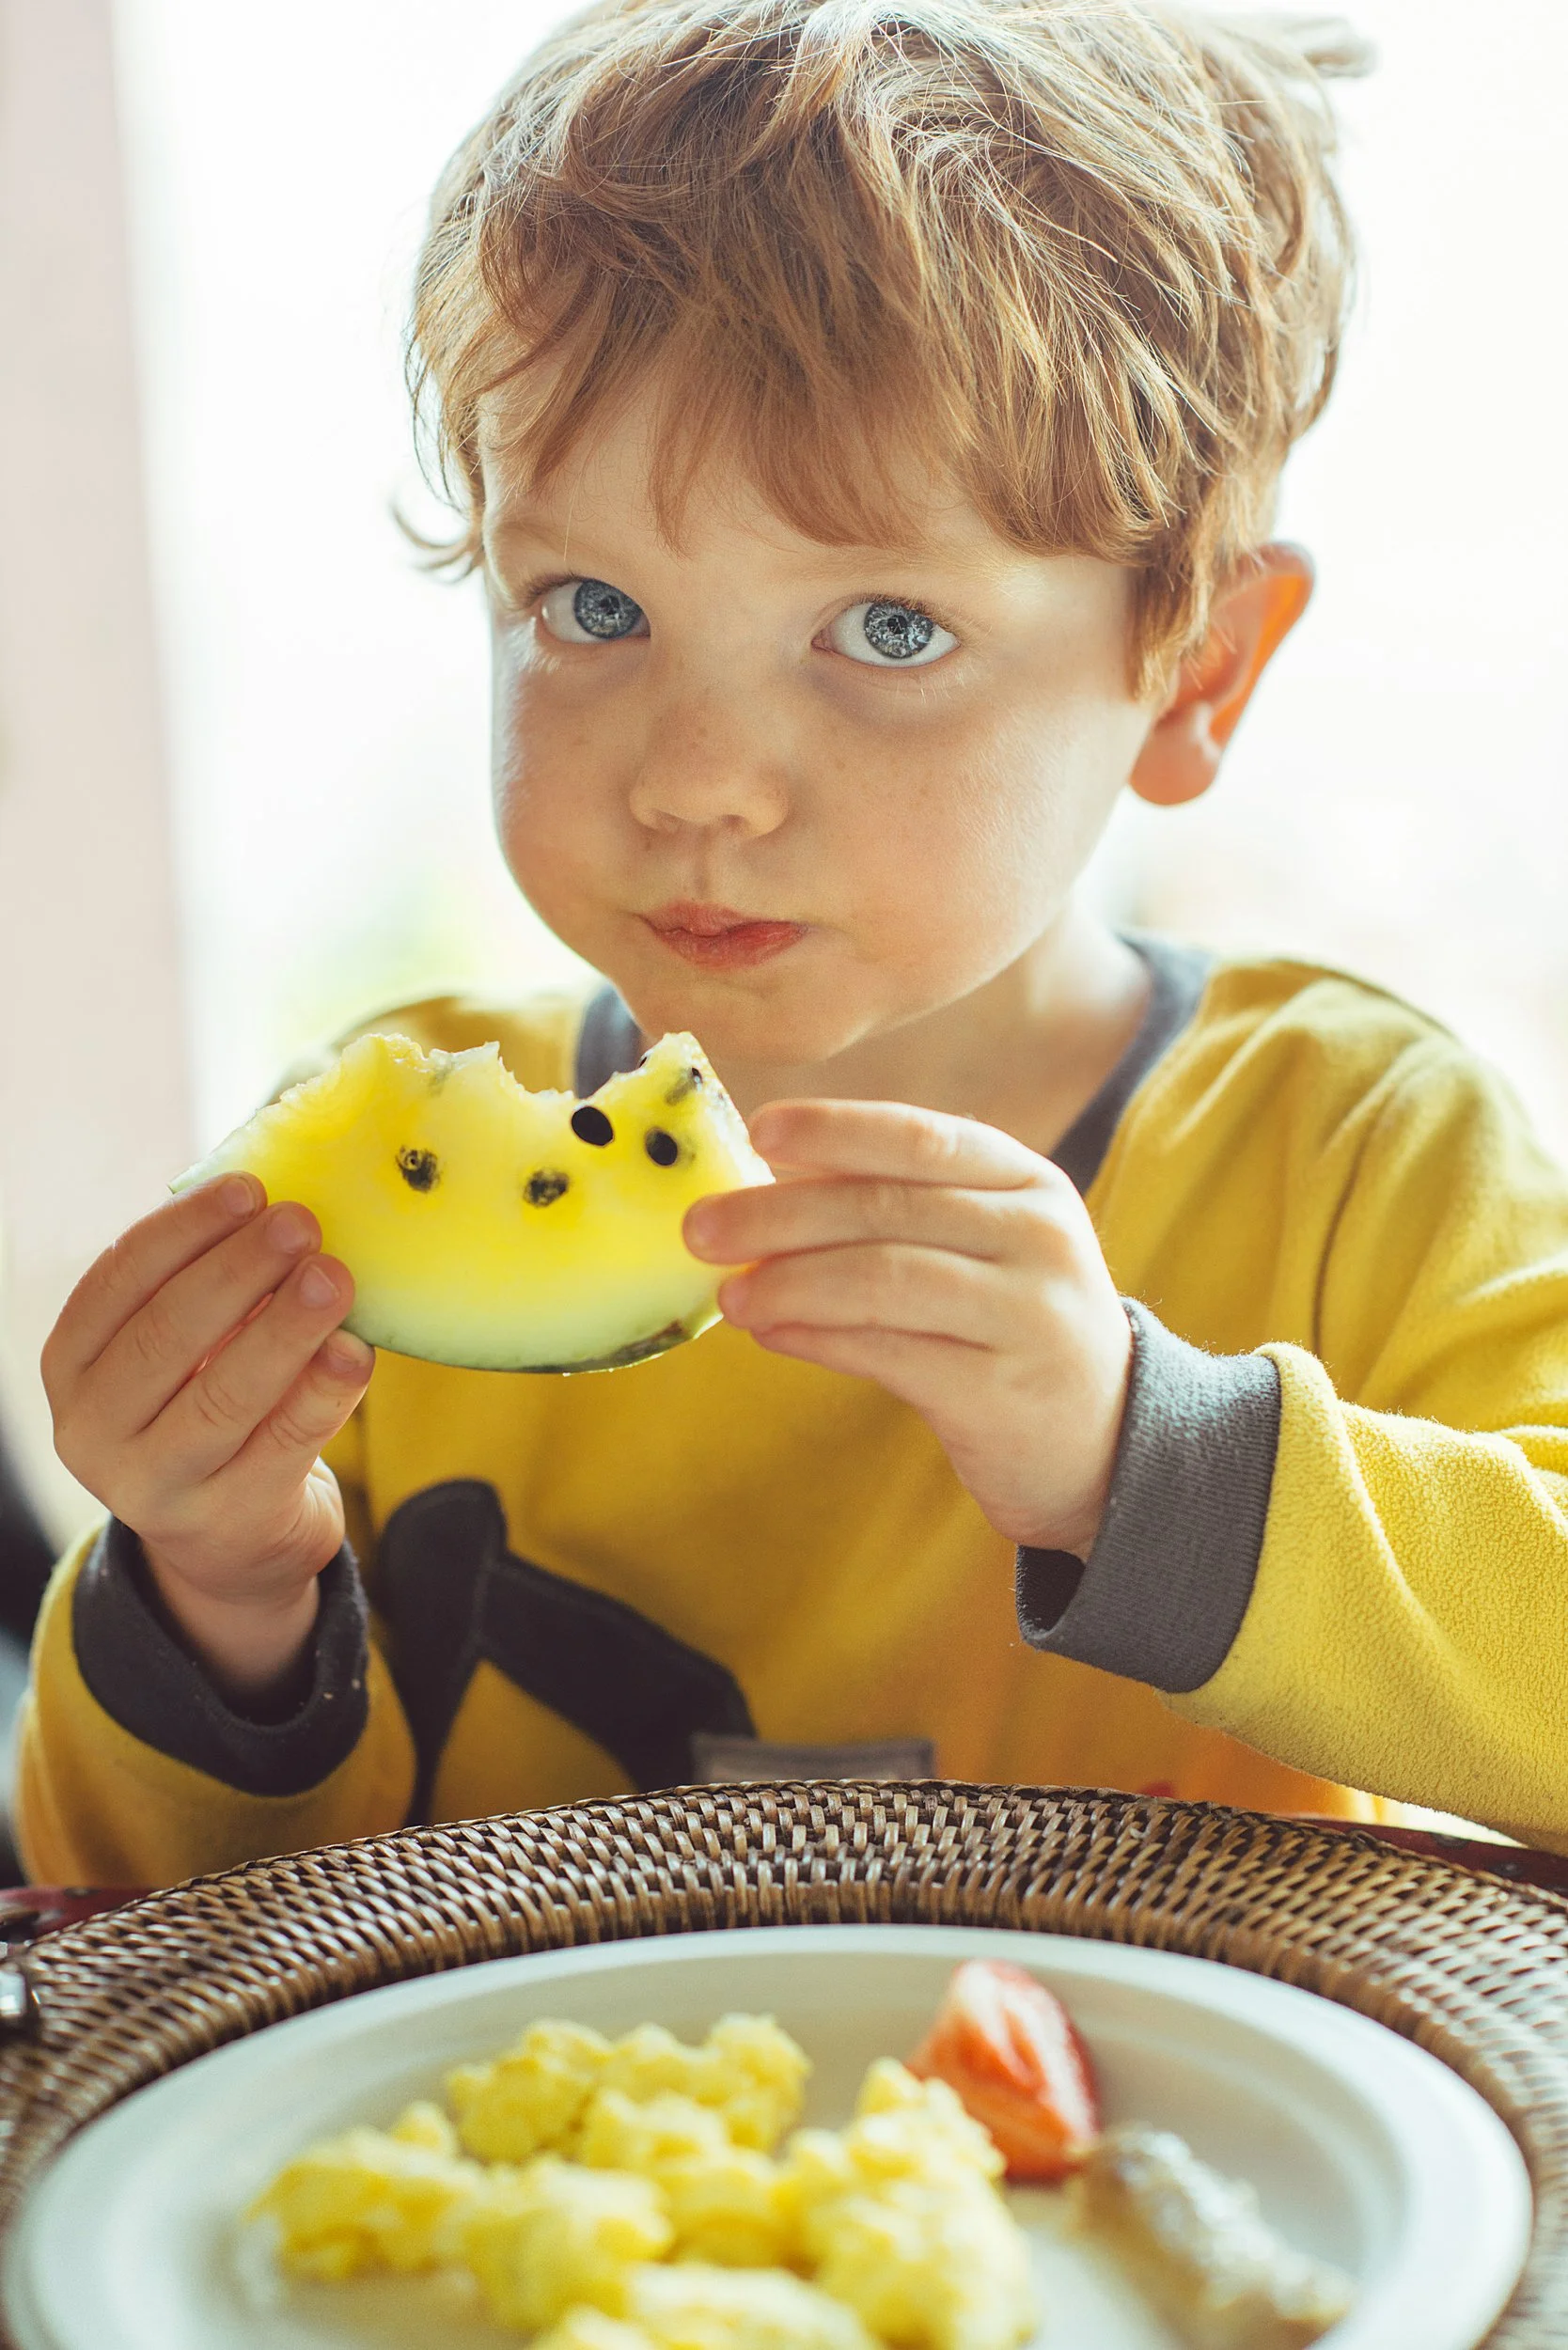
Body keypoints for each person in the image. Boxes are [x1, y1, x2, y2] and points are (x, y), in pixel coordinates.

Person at [16, 0, 1568, 1890]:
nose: (700, 783)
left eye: (888, 630)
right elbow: (124, 1932)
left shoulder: (1357, 1148)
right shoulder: (367, 1200)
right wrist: (217, 1584)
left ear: (1196, 668)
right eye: (592, 602)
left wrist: (1134, 1459)